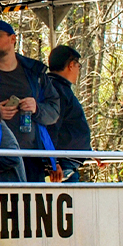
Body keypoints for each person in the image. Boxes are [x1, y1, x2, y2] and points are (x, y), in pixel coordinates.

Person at [0, 18, 58, 182]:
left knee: (32, 206)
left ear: (13, 39)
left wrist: (36, 108)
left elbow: (54, 110)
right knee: (3, 206)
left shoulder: (35, 72)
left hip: (32, 156)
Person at [46, 45, 91, 183]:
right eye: (79, 65)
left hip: (68, 161)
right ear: (71, 65)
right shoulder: (56, 89)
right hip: (62, 166)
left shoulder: (60, 88)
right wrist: (53, 162)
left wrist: (90, 152)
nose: (78, 70)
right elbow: (51, 125)